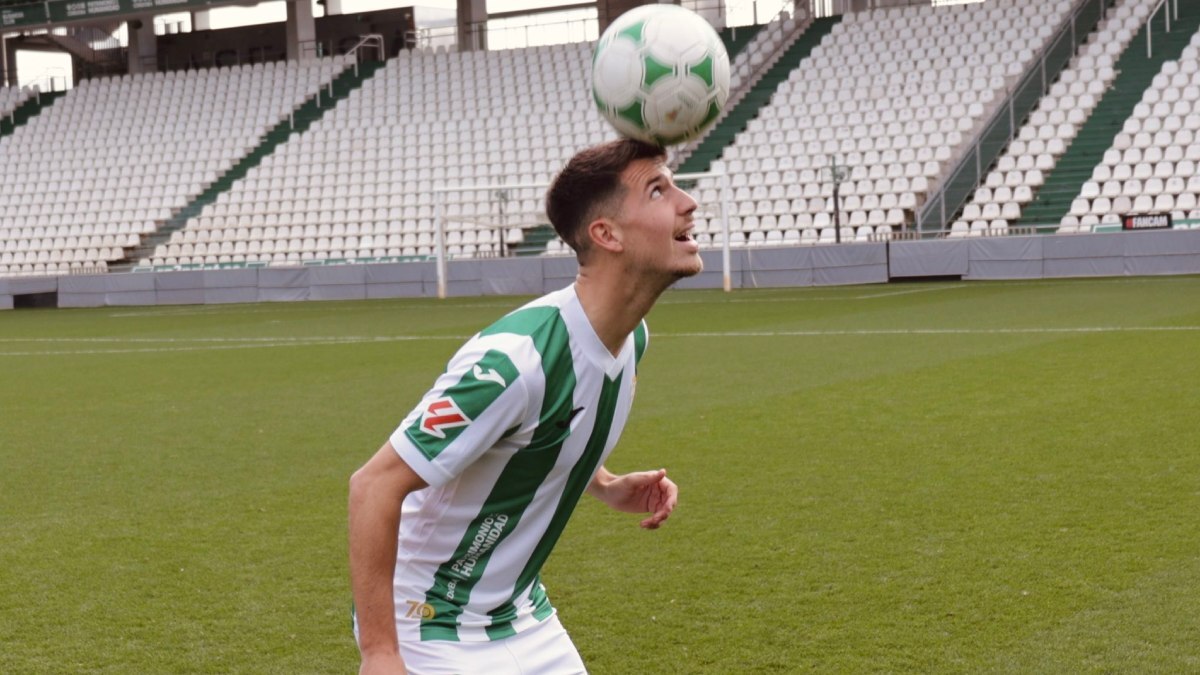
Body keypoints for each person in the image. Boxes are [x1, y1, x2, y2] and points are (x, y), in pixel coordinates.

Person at [348, 138, 702, 674]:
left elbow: (546, 427)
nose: (687, 202)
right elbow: (373, 486)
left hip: (520, 611)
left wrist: (605, 484)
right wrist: (380, 653)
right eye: (658, 190)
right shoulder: (513, 362)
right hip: (427, 620)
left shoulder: (632, 338)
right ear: (606, 234)